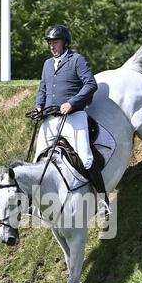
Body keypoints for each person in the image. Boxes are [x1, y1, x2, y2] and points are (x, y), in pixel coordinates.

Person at [33, 25, 110, 216]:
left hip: (73, 117)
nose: (52, 46)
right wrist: (38, 107)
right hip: (50, 119)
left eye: (56, 42)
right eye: (50, 43)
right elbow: (42, 89)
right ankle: (34, 204)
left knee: (85, 158)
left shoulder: (76, 60)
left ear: (65, 43)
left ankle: (103, 200)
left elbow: (90, 84)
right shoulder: (47, 64)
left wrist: (72, 103)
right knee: (37, 161)